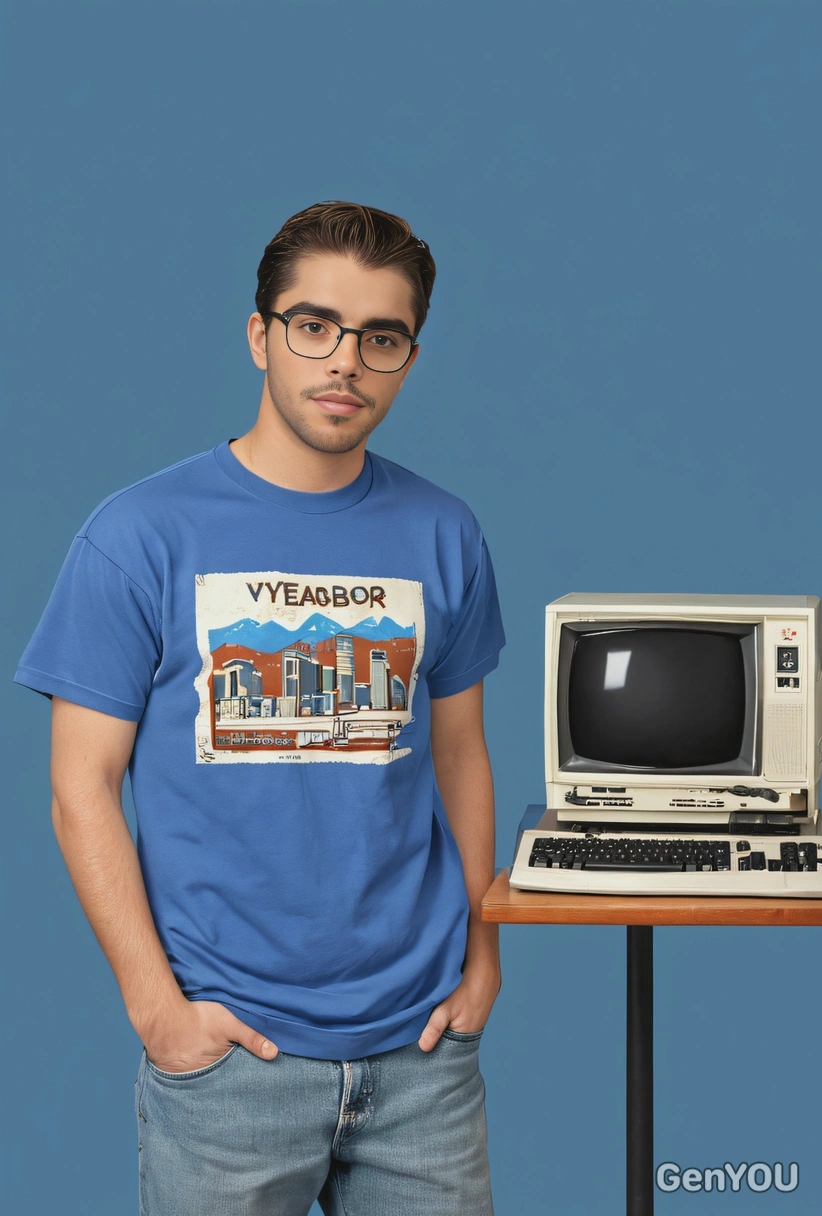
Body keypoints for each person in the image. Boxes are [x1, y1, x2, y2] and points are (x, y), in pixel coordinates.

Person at [14, 201, 505, 1216]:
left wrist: (483, 956)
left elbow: (460, 756)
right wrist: (158, 1010)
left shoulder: (444, 533)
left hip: (421, 1054)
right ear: (260, 336)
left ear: (409, 355)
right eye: (314, 325)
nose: (346, 363)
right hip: (231, 1060)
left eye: (381, 337)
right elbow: (81, 786)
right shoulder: (141, 534)